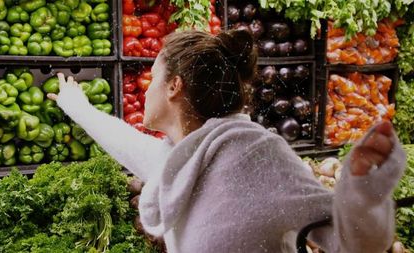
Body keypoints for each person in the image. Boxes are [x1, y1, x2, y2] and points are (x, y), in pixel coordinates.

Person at [48, 29, 406, 252]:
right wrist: (76, 107)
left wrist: (362, 189)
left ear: (174, 86)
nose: (146, 89)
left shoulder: (260, 159)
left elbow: (354, 242)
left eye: (153, 77)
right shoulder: (183, 158)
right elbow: (128, 144)